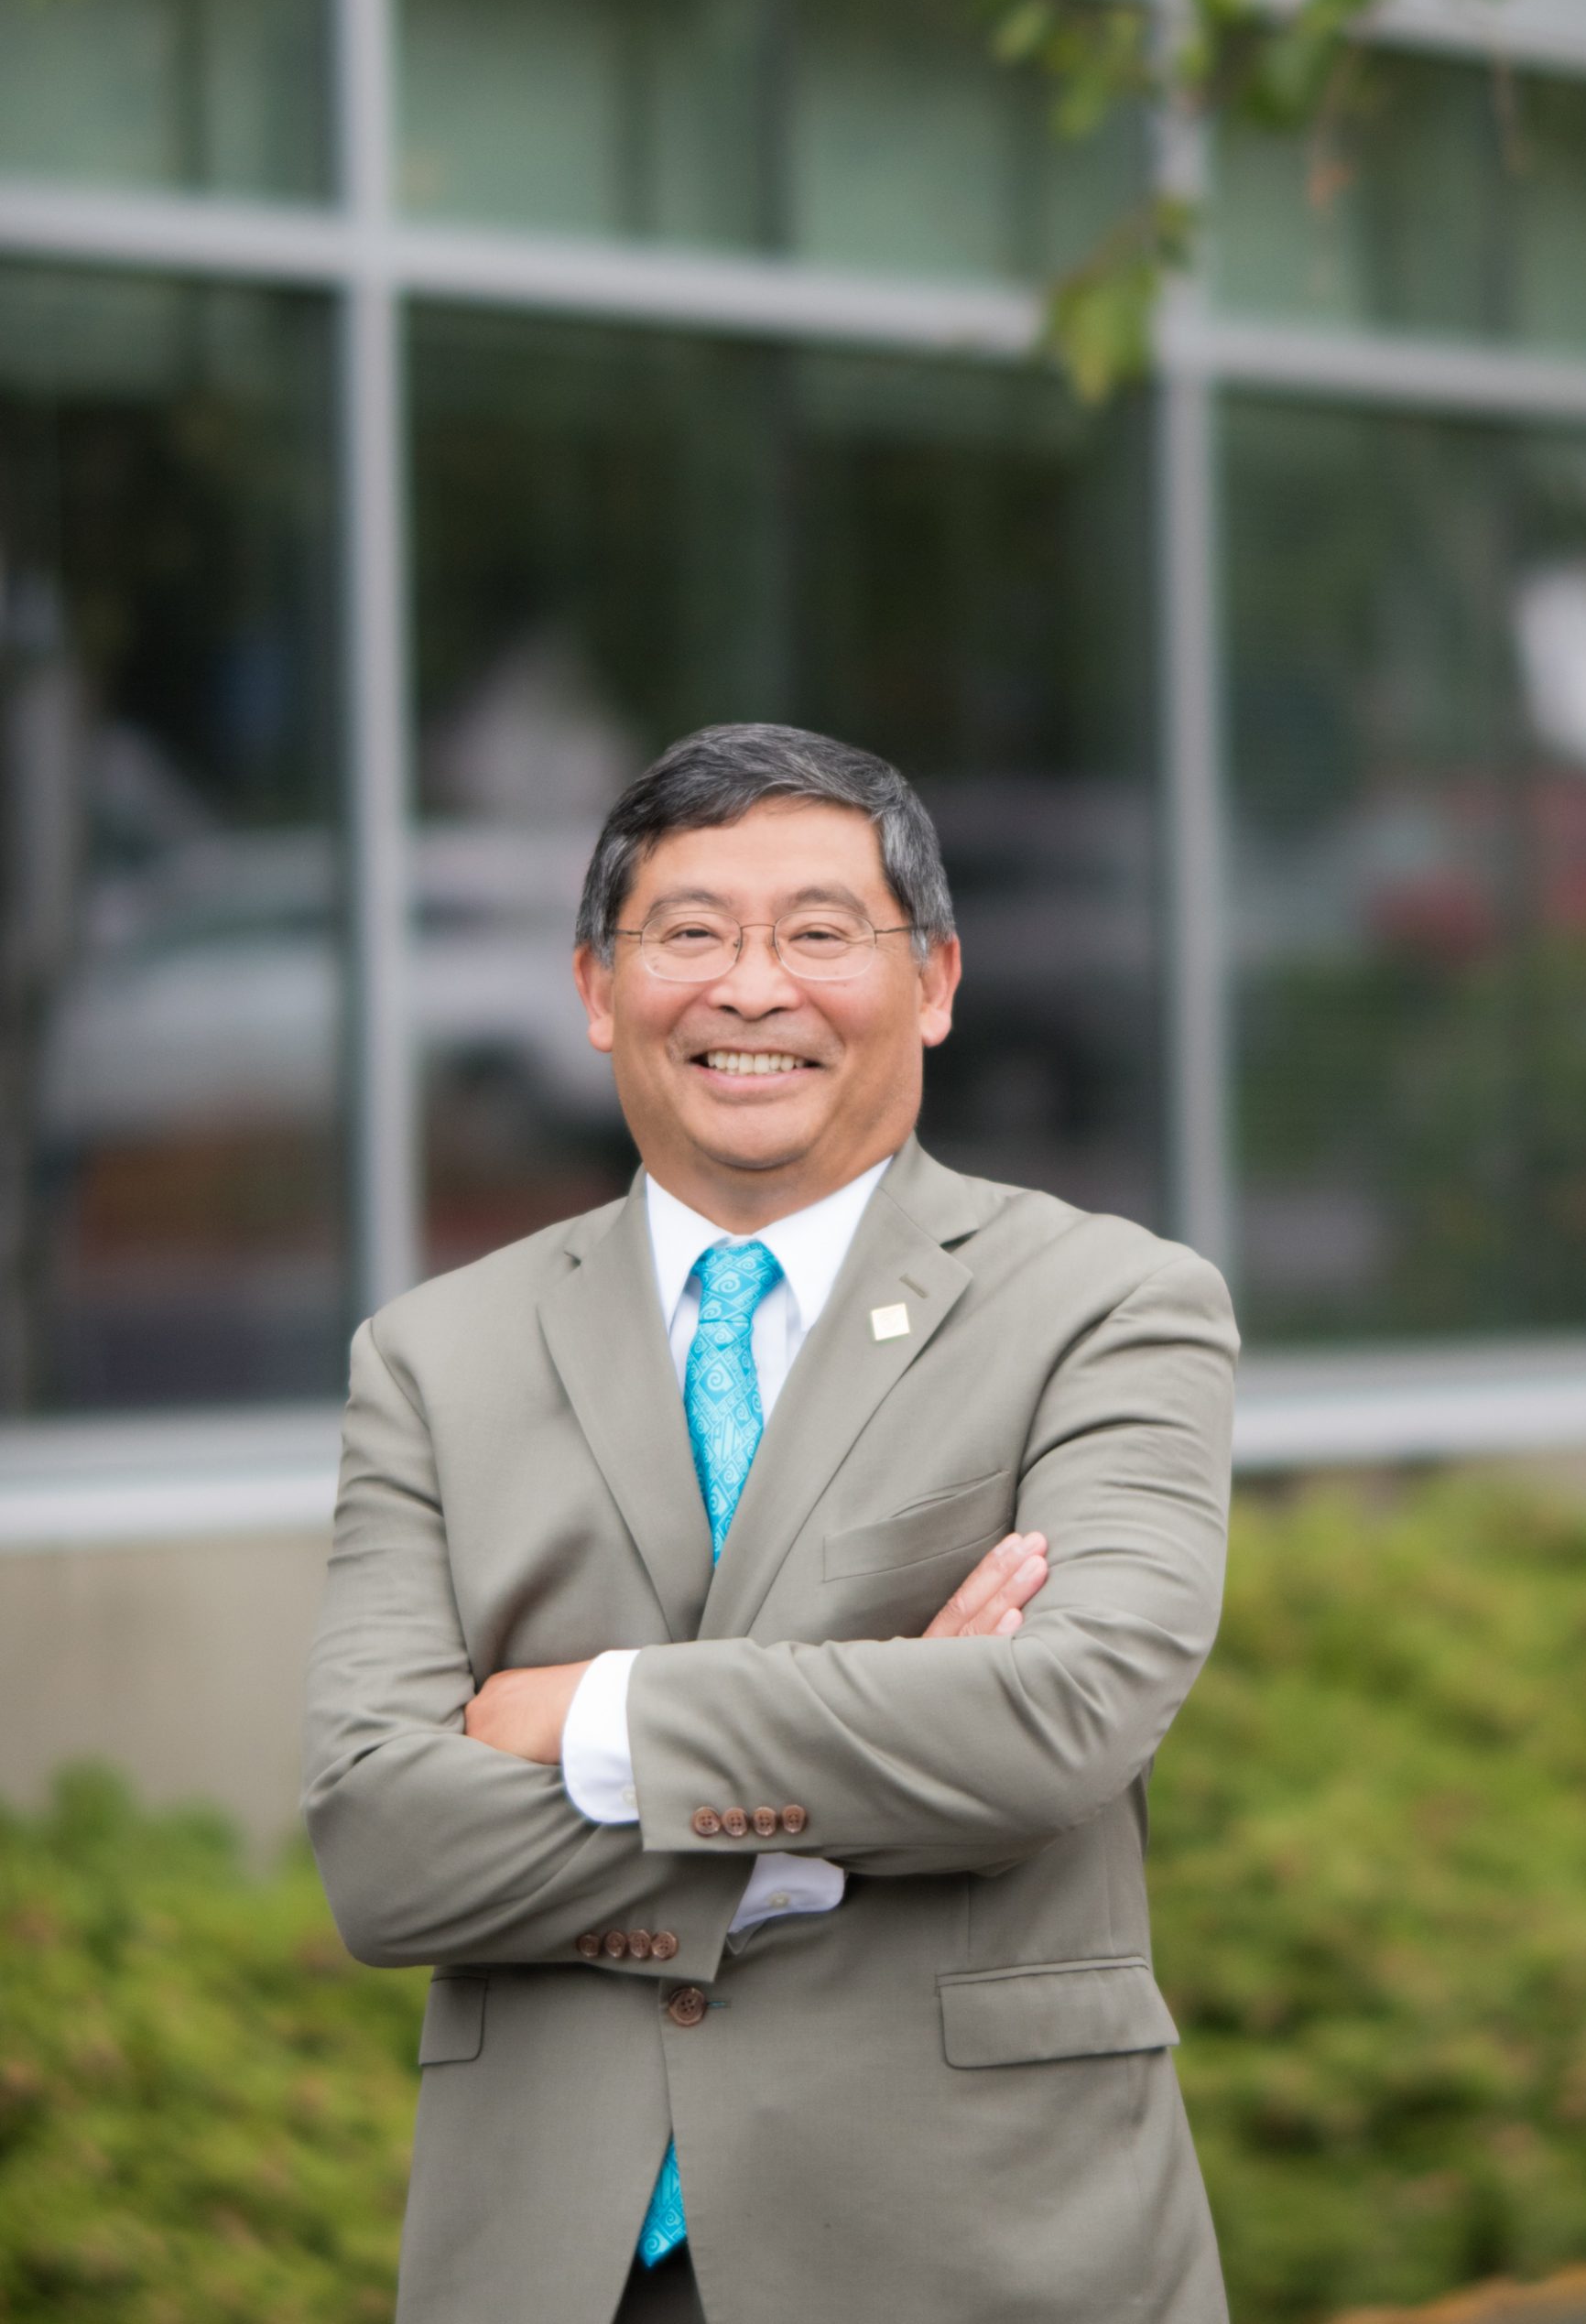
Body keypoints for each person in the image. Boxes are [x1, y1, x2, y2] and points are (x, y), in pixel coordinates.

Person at [302, 722, 1240, 2324]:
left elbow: (1056, 1723)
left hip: (978, 2251)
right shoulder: (431, 1357)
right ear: (596, 988)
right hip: (561, 2264)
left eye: (819, 934)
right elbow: (383, 1852)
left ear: (934, 981)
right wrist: (829, 1816)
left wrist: (593, 1718)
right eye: (688, 933)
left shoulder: (1106, 1307)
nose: (751, 990)